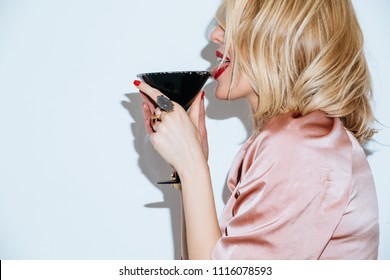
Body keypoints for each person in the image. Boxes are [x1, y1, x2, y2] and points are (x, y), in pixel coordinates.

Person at [133, 0, 379, 259]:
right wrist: (189, 165)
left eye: (232, 23)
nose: (214, 35)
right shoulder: (298, 141)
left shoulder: (301, 148)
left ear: (283, 34)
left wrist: (192, 167)